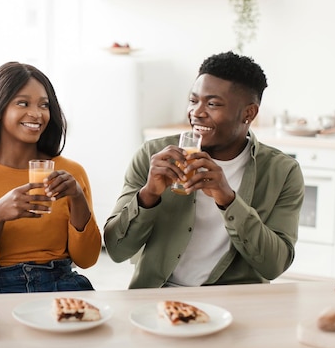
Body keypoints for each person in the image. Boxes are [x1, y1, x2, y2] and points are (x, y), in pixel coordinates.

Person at [104, 51, 305, 288]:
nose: (196, 112)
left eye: (212, 104)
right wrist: (148, 195)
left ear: (248, 113)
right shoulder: (152, 156)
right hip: (158, 297)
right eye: (193, 100)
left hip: (233, 302)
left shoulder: (283, 172)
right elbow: (116, 251)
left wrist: (228, 200)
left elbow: (274, 266)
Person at [0, 61, 101, 294]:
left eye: (44, 105)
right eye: (23, 103)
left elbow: (87, 259)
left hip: (63, 286)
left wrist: (78, 198)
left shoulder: (72, 173)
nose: (37, 114)